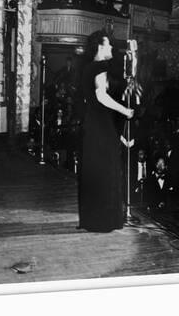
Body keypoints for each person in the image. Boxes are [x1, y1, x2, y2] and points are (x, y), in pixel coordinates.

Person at [78, 31, 134, 232]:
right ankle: (104, 220)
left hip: (93, 124)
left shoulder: (87, 68)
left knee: (97, 171)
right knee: (106, 171)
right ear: (100, 47)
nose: (111, 48)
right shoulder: (100, 67)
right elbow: (101, 97)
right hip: (101, 125)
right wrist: (124, 109)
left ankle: (94, 219)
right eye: (109, 45)